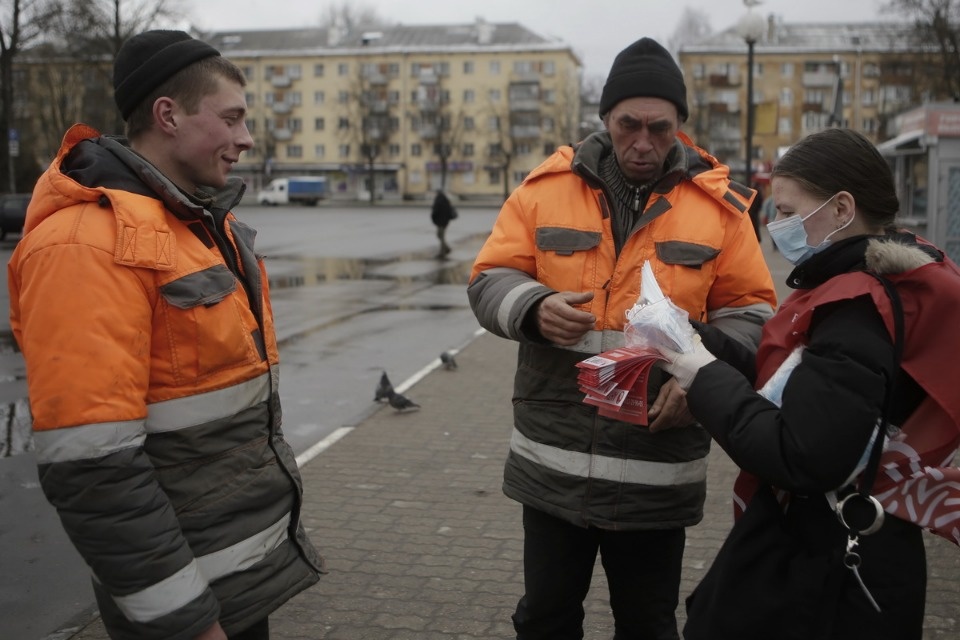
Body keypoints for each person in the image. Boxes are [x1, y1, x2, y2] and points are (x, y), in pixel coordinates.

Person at [7, 30, 324, 640]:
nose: (246, 139)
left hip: (228, 576)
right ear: (168, 115)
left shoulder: (198, 225)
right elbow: (95, 468)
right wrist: (182, 619)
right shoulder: (83, 243)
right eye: (231, 118)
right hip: (181, 600)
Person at [467, 36, 777, 639]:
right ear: (605, 120)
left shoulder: (721, 210)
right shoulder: (543, 190)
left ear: (680, 125)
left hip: (655, 468)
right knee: (546, 619)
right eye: (628, 124)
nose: (643, 142)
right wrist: (532, 306)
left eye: (659, 128)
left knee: (648, 624)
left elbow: (752, 312)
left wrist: (703, 380)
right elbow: (488, 278)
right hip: (554, 462)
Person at [658, 127, 960, 639]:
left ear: (842, 210)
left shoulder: (858, 309)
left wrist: (701, 373)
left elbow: (800, 453)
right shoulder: (869, 285)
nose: (775, 226)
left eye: (785, 210)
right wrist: (696, 337)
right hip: (839, 558)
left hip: (828, 572)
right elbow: (796, 385)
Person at [430, 188, 457, 258]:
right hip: (445, 221)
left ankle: (443, 252)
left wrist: (434, 218)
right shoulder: (445, 200)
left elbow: (435, 211)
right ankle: (446, 249)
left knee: (440, 236)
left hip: (441, 221)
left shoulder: (438, 200)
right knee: (440, 235)